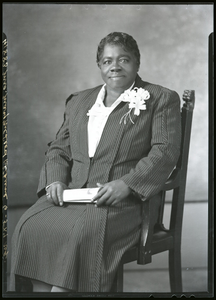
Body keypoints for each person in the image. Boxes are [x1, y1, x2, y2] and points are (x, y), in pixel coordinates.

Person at [10, 32, 181, 293]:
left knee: (83, 233)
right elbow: (59, 147)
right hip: (74, 193)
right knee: (29, 225)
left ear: (137, 63)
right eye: (107, 61)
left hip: (126, 202)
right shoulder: (79, 101)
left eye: (124, 59)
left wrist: (127, 184)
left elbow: (165, 152)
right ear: (99, 65)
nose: (115, 66)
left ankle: (64, 291)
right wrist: (55, 179)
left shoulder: (160, 98)